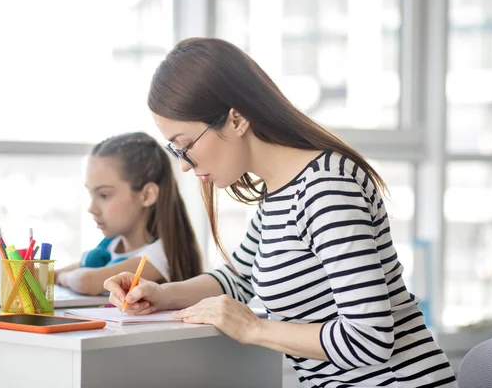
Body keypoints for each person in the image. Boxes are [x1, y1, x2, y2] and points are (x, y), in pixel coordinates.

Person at [104, 38, 457, 387]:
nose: (183, 166)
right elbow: (236, 278)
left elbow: (370, 337)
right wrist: (160, 294)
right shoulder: (279, 194)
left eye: (186, 146)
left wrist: (254, 328)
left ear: (236, 119)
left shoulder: (326, 188)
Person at [55, 132, 203, 295]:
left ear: (147, 195)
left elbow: (86, 281)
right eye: (91, 194)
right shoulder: (110, 245)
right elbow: (66, 272)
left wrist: (63, 277)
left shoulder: (160, 257)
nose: (91, 208)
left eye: (104, 195)